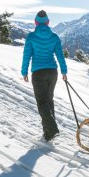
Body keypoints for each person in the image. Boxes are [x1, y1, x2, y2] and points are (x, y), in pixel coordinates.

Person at [21, 10, 67, 141]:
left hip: (38, 73)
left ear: (36, 23)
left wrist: (24, 72)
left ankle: (52, 128)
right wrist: (64, 72)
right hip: (52, 72)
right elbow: (60, 56)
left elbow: (27, 56)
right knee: (49, 101)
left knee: (42, 102)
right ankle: (48, 132)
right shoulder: (54, 37)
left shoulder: (31, 37)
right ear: (47, 22)